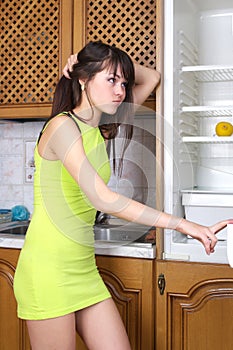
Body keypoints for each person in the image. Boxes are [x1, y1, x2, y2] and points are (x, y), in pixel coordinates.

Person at [13, 41, 232, 350]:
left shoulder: (102, 127)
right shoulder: (62, 127)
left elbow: (152, 77)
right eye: (111, 80)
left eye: (124, 82)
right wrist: (184, 225)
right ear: (83, 80)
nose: (120, 90)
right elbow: (103, 198)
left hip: (82, 269)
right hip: (47, 271)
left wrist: (102, 63)